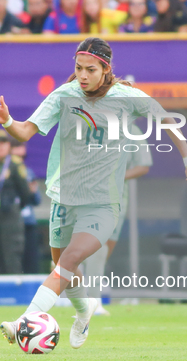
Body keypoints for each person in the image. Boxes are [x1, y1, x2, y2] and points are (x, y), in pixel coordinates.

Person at [0, 37, 187, 349]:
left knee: (71, 258)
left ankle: (24, 321)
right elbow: (24, 131)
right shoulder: (64, 95)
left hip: (103, 203)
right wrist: (7, 120)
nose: (83, 75)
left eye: (90, 69)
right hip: (64, 197)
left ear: (106, 69)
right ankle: (84, 310)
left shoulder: (126, 97)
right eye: (78, 68)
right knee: (63, 269)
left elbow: (167, 120)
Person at [82, 124, 153, 315]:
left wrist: (116, 177)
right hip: (88, 196)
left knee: (102, 251)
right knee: (95, 246)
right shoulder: (93, 127)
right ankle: (91, 301)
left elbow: (143, 166)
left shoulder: (133, 131)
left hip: (117, 200)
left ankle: (79, 295)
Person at [0, 129, 32, 274]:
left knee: (11, 257)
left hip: (10, 216)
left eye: (4, 142)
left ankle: (14, 295)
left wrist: (13, 205)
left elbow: (25, 193)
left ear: (9, 146)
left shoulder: (14, 164)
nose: (0, 146)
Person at [10, 139, 42, 273]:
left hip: (28, 223)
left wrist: (32, 191)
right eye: (16, 157)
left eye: (22, 157)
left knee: (31, 262)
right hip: (11, 223)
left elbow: (37, 200)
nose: (20, 161)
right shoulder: (6, 173)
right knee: (12, 262)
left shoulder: (28, 172)